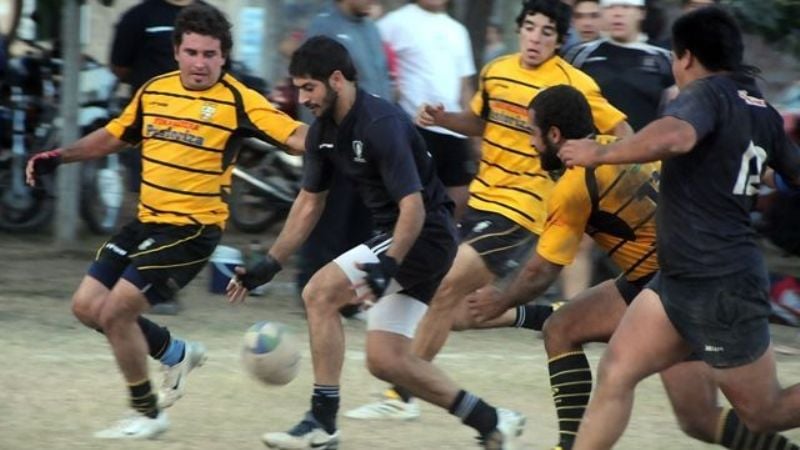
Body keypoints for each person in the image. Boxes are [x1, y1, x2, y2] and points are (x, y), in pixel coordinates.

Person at [226, 35, 525, 450]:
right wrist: (270, 263)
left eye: (309, 87)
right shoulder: (323, 132)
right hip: (404, 238)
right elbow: (309, 203)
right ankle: (492, 420)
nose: (303, 98)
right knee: (387, 360)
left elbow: (413, 207)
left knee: (319, 293)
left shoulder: (380, 123)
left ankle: (321, 424)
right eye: (299, 88)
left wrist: (390, 263)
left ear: (336, 79)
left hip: (423, 234)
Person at [25, 3, 307, 439]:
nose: (200, 63)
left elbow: (296, 135)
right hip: (146, 222)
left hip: (192, 231)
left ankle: (148, 413)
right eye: (191, 52)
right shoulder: (154, 90)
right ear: (176, 51)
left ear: (224, 57)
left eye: (210, 54)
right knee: (86, 307)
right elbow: (114, 136)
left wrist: (348, 136)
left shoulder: (238, 100)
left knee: (117, 311)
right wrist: (60, 156)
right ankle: (174, 353)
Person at [468, 84, 800, 450]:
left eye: (532, 132)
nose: (530, 143)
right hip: (661, 276)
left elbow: (540, 273)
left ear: (555, 135)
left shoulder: (576, 184)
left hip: (670, 284)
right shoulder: (622, 147)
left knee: (744, 411)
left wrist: (500, 301)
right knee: (694, 415)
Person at [345, 0, 631, 421]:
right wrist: (443, 118)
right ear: (519, 30)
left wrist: (599, 166)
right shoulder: (497, 70)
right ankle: (546, 314)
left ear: (559, 40)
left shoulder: (574, 85)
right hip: (481, 200)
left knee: (444, 284)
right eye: (529, 27)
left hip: (522, 210)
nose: (535, 37)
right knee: (462, 312)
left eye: (546, 31)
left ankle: (400, 396)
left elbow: (622, 131)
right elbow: (482, 122)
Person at [556, 7, 800, 450]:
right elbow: (788, 173)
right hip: (678, 279)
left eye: (673, 56)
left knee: (764, 412)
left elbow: (677, 137)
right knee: (617, 370)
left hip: (721, 283)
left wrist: (599, 153)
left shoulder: (703, 94)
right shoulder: (762, 110)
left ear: (686, 57)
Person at [295, 0, 392, 318]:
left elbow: (380, 83)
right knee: (327, 224)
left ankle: (349, 301)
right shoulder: (325, 26)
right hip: (335, 146)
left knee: (362, 225)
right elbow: (310, 88)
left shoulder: (372, 29)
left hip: (370, 148)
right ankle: (313, 294)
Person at [109, 0, 197, 315]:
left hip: (197, 130)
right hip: (150, 128)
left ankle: (162, 286)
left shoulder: (205, 17)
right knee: (148, 207)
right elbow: (120, 66)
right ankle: (133, 282)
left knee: (184, 212)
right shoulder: (139, 17)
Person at [377, 0, 477, 219]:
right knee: (413, 201)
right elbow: (377, 68)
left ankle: (442, 239)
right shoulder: (394, 22)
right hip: (415, 126)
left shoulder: (458, 30)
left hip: (453, 127)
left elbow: (465, 86)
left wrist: (475, 136)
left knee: (460, 197)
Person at [565, 0, 675, 132]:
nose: (617, 13)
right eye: (610, 7)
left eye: (625, 7)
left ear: (641, 12)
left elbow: (673, 111)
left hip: (646, 141)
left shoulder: (664, 57)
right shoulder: (579, 54)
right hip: (593, 141)